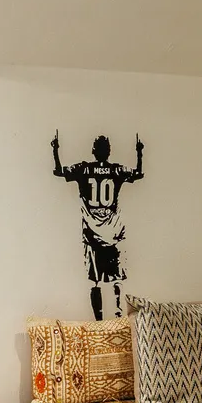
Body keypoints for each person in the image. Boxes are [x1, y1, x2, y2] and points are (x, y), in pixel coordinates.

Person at [52, 131, 144, 320]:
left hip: (92, 234)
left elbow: (60, 171)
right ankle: (119, 317)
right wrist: (139, 153)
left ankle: (99, 321)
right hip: (114, 233)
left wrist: (55, 150)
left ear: (93, 151)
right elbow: (137, 173)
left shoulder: (84, 169)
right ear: (109, 151)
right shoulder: (116, 170)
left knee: (95, 281)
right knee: (116, 279)